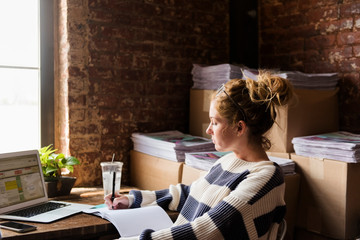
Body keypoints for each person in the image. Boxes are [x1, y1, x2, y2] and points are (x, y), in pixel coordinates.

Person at [105, 70, 294, 240]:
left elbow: (213, 228)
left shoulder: (267, 178)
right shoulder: (228, 161)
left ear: (239, 127)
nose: (209, 130)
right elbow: (190, 194)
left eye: (215, 122)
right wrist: (132, 200)